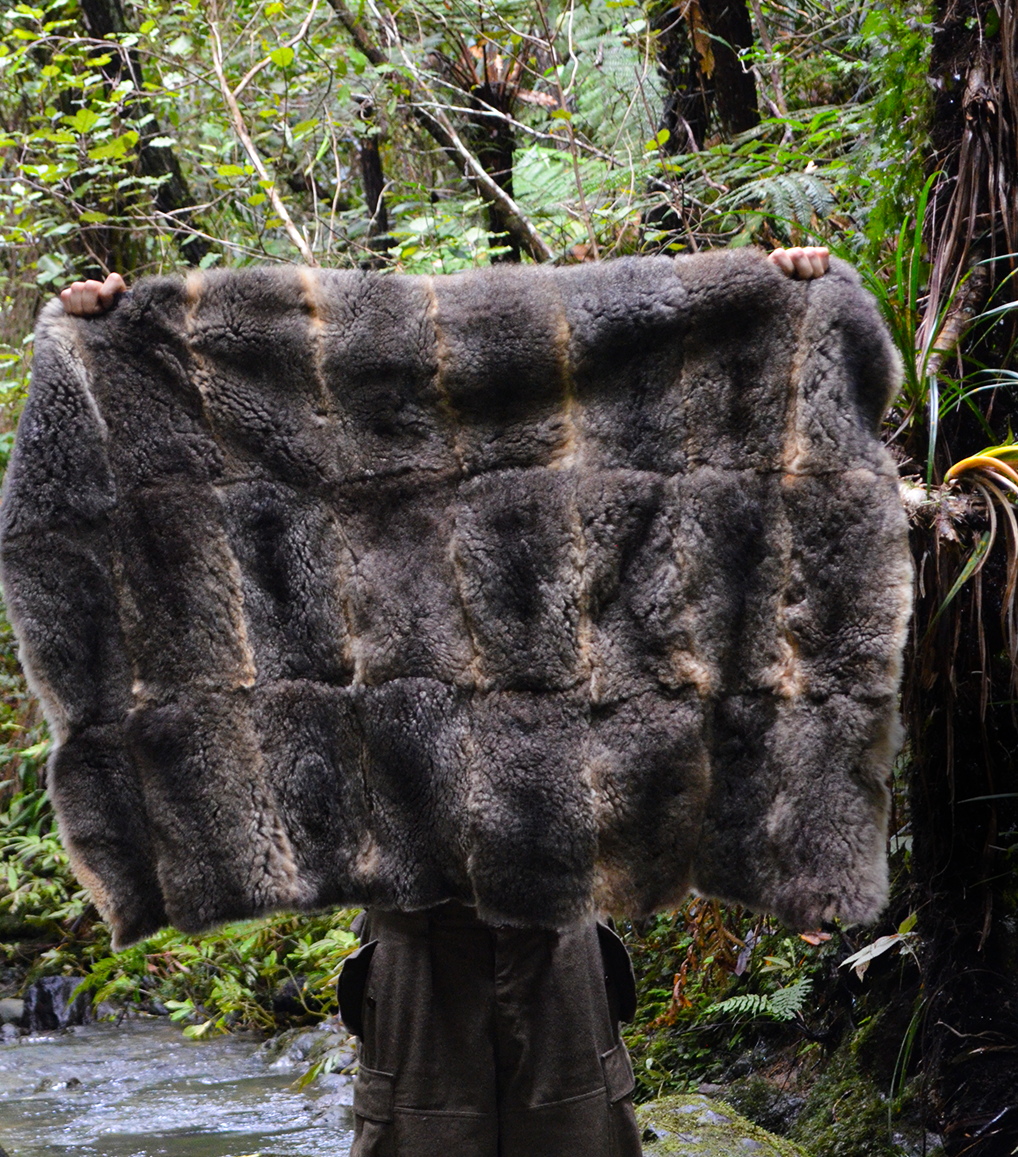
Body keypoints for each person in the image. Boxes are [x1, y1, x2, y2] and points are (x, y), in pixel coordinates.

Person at [59, 244, 831, 1157]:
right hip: (418, 940)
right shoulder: (340, 527)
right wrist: (107, 340)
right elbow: (192, 506)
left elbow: (705, 463)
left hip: (556, 927)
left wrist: (782, 304)